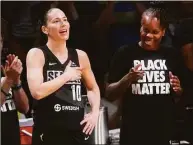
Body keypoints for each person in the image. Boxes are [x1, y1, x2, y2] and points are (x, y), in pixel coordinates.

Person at [106, 7, 186, 145]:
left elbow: (180, 96)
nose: (149, 35)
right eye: (145, 30)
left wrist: (178, 90)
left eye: (155, 32)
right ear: (140, 27)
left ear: (163, 32)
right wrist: (127, 79)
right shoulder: (125, 53)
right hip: (133, 132)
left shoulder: (172, 55)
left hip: (163, 131)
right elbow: (109, 94)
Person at [26, 8, 100, 145]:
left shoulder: (80, 55)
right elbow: (37, 92)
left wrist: (95, 113)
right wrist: (66, 76)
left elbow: (93, 88)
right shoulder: (37, 54)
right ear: (45, 29)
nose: (63, 24)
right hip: (48, 132)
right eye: (56, 21)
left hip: (78, 132)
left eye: (65, 20)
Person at [1, 54, 29, 145]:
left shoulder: (8, 69)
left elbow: (24, 108)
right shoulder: (9, 75)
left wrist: (16, 82)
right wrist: (9, 80)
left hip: (13, 138)